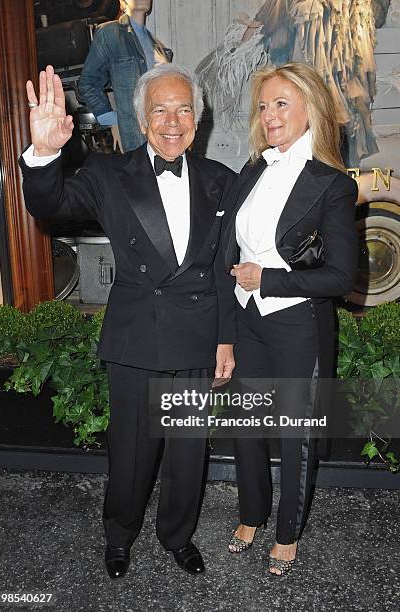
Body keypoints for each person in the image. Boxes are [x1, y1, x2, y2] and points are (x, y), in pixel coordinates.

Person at [20, 63, 236, 578]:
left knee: (187, 457)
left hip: (198, 338)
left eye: (184, 109)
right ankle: (119, 537)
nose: (172, 120)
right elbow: (48, 203)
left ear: (197, 120)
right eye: (159, 109)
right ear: (141, 119)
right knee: (131, 455)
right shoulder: (107, 174)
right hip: (137, 338)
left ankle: (177, 536)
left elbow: (227, 271)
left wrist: (226, 341)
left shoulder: (221, 181)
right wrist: (45, 153)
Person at [222, 62, 358, 575]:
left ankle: (287, 532)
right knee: (247, 427)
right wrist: (224, 328)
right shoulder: (252, 170)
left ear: (310, 110)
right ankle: (252, 514)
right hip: (246, 318)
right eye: (264, 105)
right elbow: (226, 252)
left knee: (294, 433)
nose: (270, 114)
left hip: (297, 323)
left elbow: (341, 277)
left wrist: (270, 281)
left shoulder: (332, 185)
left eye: (282, 103)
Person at [77, 0, 172, 152]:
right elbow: (88, 83)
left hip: (163, 137)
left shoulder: (159, 48)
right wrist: (113, 120)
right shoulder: (110, 34)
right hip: (135, 137)